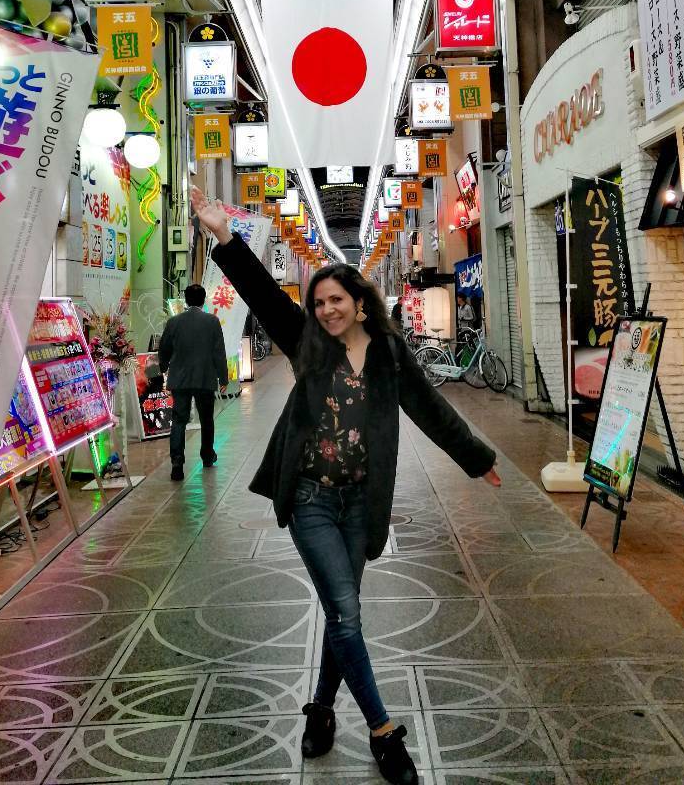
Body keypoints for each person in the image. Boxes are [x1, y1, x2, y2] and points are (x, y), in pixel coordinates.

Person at [191, 187, 499, 785]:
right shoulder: (307, 344)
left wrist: (475, 456)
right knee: (348, 614)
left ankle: (323, 710)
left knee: (342, 612)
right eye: (318, 301)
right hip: (310, 498)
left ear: (360, 302)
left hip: (361, 501)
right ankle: (384, 733)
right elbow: (258, 290)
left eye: (336, 299)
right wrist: (223, 235)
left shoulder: (387, 352)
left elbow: (430, 408)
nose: (327, 309)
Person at [158, 282, 228, 481]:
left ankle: (177, 462)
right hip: (205, 378)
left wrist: (163, 368)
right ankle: (207, 456)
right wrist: (223, 377)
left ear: (186, 301)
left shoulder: (174, 322)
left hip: (179, 379)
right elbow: (218, 352)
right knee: (207, 419)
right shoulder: (212, 321)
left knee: (179, 420)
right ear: (204, 299)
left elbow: (164, 348)